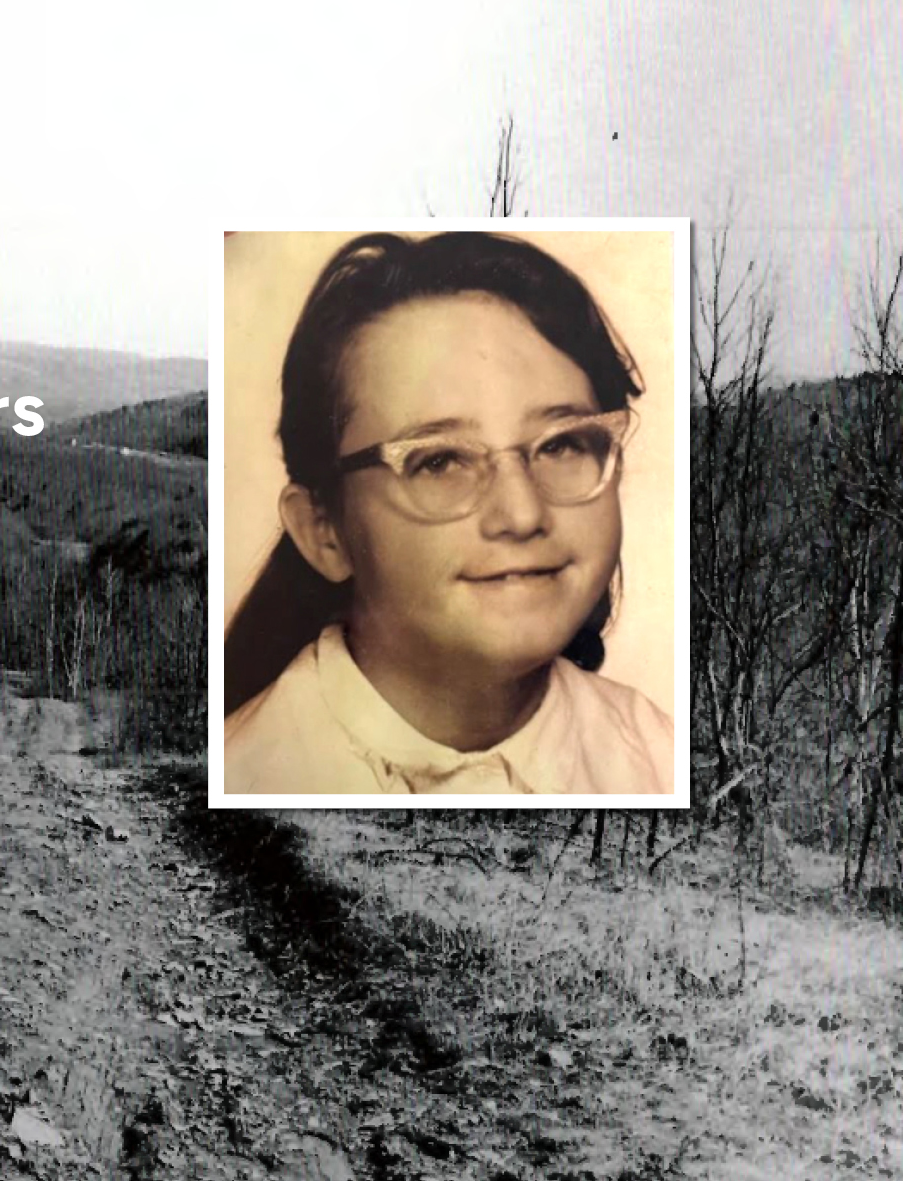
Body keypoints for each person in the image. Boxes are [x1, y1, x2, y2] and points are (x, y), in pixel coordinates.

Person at [223, 231, 674, 797]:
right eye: (438, 461)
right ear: (323, 531)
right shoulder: (246, 777)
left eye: (561, 445)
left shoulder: (659, 757)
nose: (521, 513)